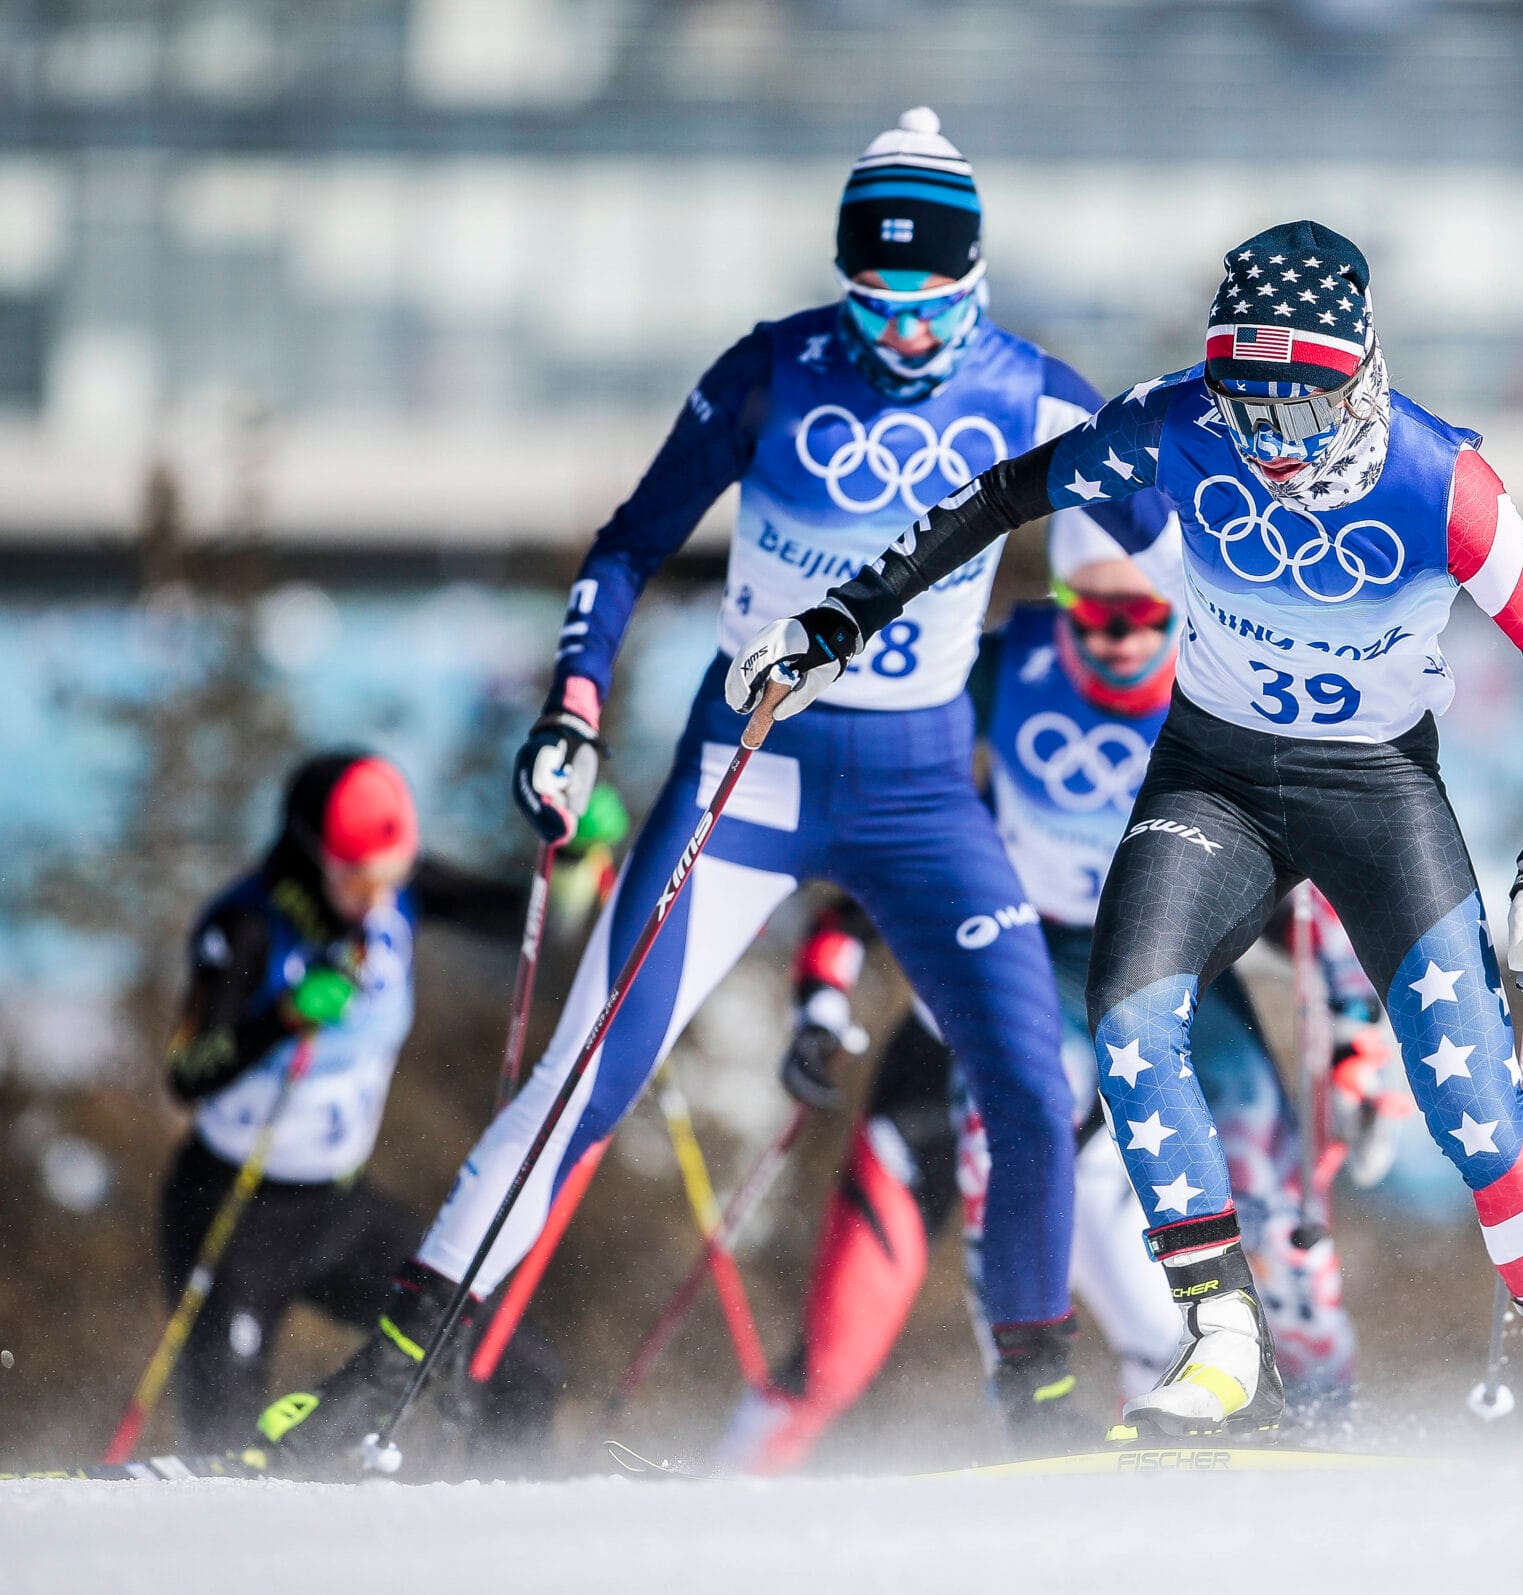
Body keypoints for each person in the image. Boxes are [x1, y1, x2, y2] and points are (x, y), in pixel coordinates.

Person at [259, 108, 1175, 1467]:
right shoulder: (774, 370)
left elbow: (1159, 539)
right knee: (587, 1077)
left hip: (920, 795)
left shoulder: (1032, 393)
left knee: (1030, 1089)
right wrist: (575, 705)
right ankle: (379, 1383)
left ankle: (1038, 1409)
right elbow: (629, 545)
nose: (902, 338)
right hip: (748, 774)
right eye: (875, 305)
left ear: (975, 287)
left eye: (931, 311)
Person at [728, 220, 1523, 1444]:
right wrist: (847, 614)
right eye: (1247, 410)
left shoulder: (1443, 483)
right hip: (1215, 781)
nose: (1272, 446)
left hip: (1374, 790)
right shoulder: (1178, 421)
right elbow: (1001, 496)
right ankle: (1223, 1342)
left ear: (1359, 380)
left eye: (1300, 411)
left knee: (1469, 1099)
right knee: (1133, 1025)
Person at [725, 561, 1385, 1470]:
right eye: (1091, 613)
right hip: (995, 991)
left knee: (1249, 1223)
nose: (1116, 638)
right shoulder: (1008, 671)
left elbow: (1309, 888)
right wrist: (821, 1000)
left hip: (1166, 988)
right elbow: (887, 844)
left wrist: (1358, 1048)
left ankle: (1313, 1421)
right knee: (840, 1345)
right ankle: (754, 1474)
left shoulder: (1226, 681)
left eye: (1143, 615)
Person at [159, 752, 563, 1455]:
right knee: (220, 1441)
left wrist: (575, 860)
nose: (375, 895)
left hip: (338, 1208)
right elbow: (187, 1072)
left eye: (390, 875)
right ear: (310, 858)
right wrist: (281, 1018)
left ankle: (493, 1508)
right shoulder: (247, 925)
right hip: (232, 1209)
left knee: (518, 1367)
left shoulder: (395, 894)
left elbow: (530, 919)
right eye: (354, 878)